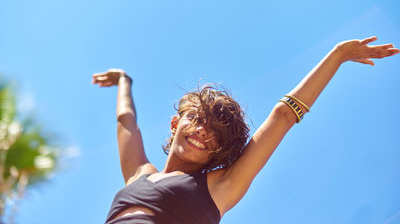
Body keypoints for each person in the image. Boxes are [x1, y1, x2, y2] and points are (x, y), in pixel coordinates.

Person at [92, 37, 398, 224]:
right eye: (197, 120)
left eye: (215, 133)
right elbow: (126, 121)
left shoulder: (219, 187)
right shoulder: (140, 174)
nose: (203, 132)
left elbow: (282, 117)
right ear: (176, 123)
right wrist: (124, 81)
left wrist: (338, 55)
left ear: (219, 150)